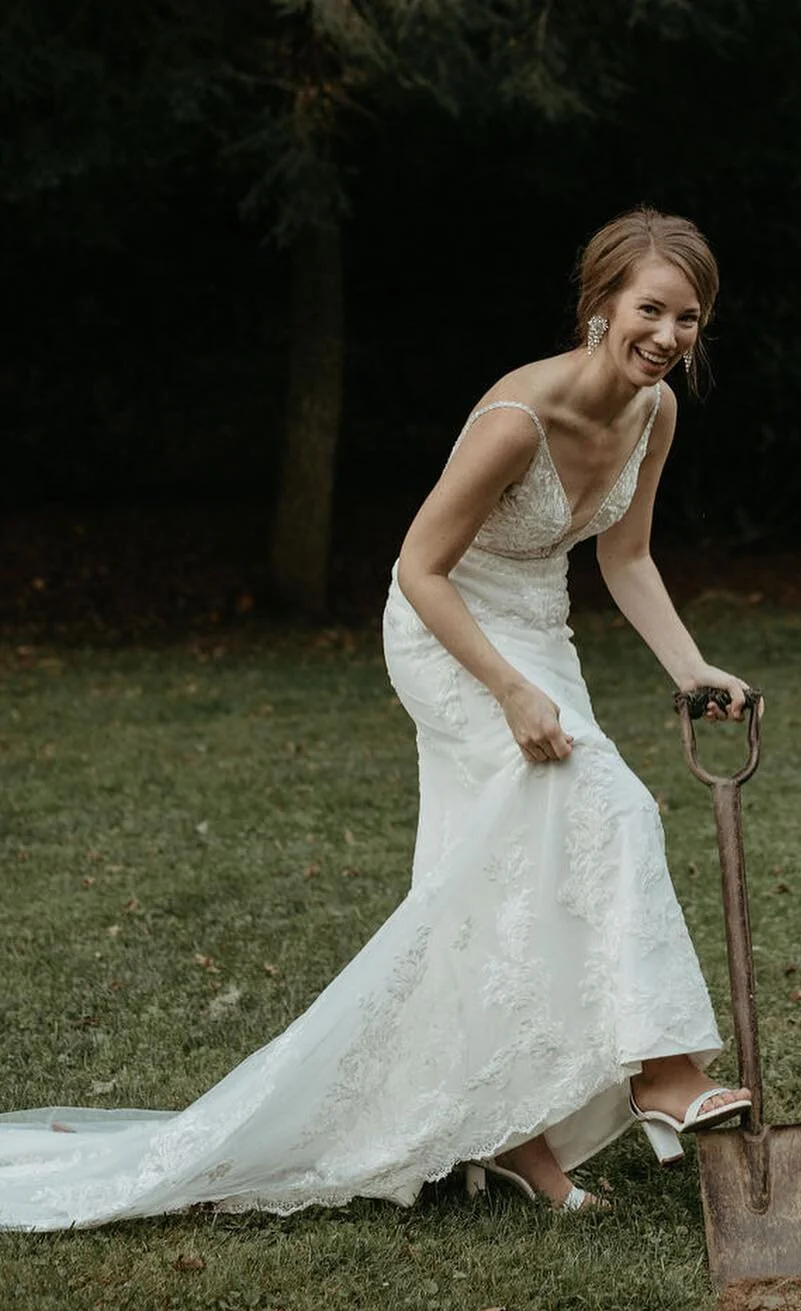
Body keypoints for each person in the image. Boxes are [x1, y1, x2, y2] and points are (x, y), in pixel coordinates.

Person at [0, 207, 753, 1228]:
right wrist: (510, 691)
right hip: (448, 634)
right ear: (600, 306)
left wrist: (691, 665)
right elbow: (418, 567)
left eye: (690, 319)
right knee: (610, 805)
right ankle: (666, 1073)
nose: (668, 337)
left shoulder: (654, 413)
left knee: (479, 879)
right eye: (651, 310)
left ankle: (511, 1137)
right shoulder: (516, 421)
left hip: (538, 628)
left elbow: (624, 558)